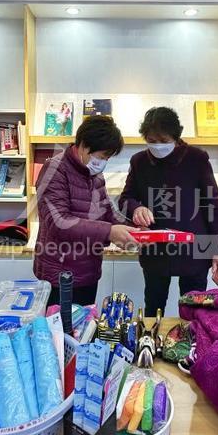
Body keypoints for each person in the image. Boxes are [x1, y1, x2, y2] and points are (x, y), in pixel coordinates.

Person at [118, 107, 218, 317]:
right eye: (151, 140)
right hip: (155, 247)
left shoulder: (196, 158)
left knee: (194, 309)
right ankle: (152, 337)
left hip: (194, 246)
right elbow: (125, 199)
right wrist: (136, 208)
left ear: (176, 137)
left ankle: (192, 338)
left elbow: (213, 204)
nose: (157, 146)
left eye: (163, 140)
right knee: (153, 306)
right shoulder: (139, 161)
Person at [34, 116, 137, 306]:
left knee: (86, 322)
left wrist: (134, 231)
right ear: (82, 144)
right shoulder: (55, 169)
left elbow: (107, 212)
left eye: (107, 158)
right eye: (101, 156)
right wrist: (109, 232)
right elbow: (59, 223)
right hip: (60, 275)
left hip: (89, 271)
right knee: (60, 325)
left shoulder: (95, 174)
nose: (103, 162)